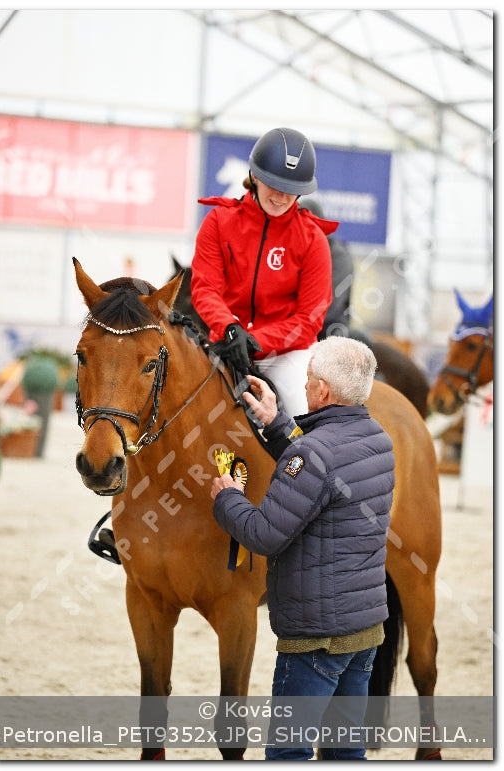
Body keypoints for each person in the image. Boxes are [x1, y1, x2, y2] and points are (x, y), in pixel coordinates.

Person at [210, 336, 395, 761]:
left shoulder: (313, 454)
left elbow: (264, 534)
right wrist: (277, 423)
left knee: (288, 754)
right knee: (345, 752)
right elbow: (321, 477)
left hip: (316, 639)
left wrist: (228, 497)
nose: (306, 385)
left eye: (309, 379)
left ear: (324, 390)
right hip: (363, 630)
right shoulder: (378, 440)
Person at [191, 127, 339, 416]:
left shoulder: (313, 239)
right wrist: (230, 329)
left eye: (292, 189)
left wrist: (256, 341)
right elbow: (205, 289)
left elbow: (309, 318)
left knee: (304, 410)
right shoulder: (218, 222)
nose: (282, 196)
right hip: (224, 343)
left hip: (284, 355)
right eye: (274, 183)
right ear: (255, 176)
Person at [298, 196, 355, 339]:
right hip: (296, 325)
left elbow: (329, 305)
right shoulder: (295, 249)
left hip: (330, 328)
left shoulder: (338, 256)